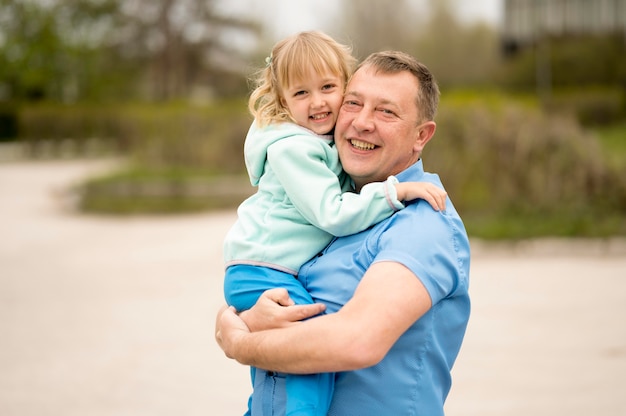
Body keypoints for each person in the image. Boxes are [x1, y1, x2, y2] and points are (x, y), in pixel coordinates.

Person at [217, 50, 471, 416]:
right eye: (353, 103)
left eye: (386, 111)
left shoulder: (422, 224)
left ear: (421, 136)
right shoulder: (331, 203)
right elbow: (262, 279)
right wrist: (241, 318)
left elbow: (357, 341)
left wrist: (239, 342)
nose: (362, 122)